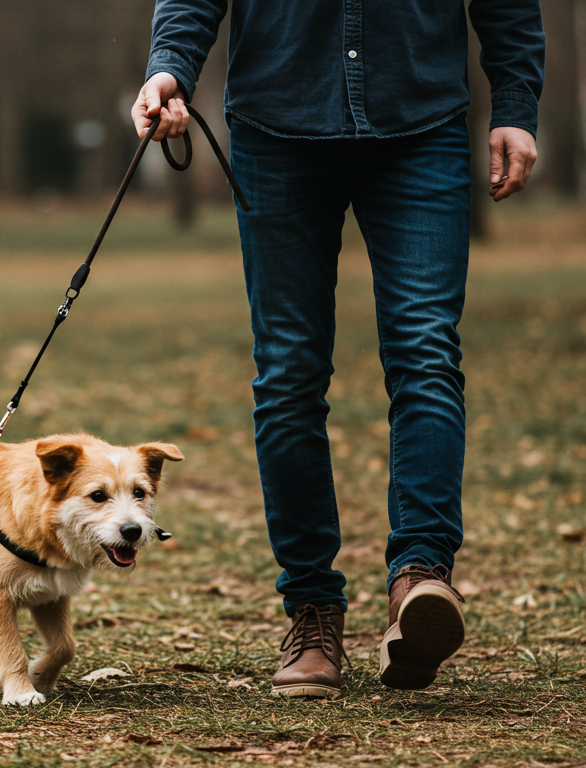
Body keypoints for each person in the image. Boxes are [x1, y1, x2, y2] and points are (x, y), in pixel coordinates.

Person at [132, 0, 544, 697]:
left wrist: (515, 101)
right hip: (277, 124)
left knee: (426, 351)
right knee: (289, 374)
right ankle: (313, 612)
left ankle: (420, 579)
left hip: (422, 120)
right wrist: (170, 68)